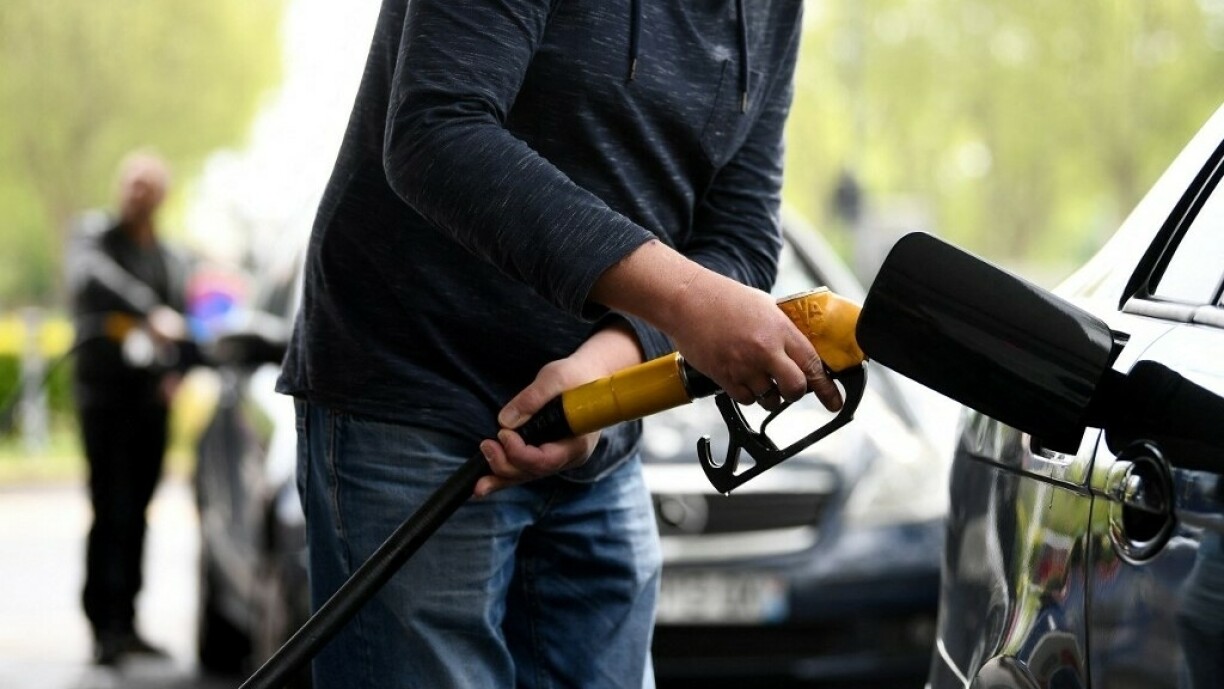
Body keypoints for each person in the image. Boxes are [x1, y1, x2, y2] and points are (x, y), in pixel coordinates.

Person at [276, 1, 839, 687]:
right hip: (419, 393)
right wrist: (690, 303)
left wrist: (602, 375)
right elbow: (437, 132)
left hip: (595, 434)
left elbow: (743, 232)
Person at [65, 151, 190, 666]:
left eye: (149, 186)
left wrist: (175, 372)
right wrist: (148, 310)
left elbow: (183, 326)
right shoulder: (94, 237)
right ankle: (103, 627)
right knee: (109, 509)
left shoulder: (170, 257)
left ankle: (129, 620)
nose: (139, 193)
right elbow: (90, 278)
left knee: (138, 511)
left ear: (162, 196)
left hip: (149, 405)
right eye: (133, 183)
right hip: (105, 401)